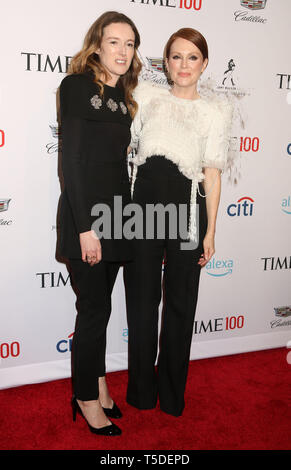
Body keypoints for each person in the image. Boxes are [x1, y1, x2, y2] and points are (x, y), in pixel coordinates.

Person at [124, 28, 233, 417]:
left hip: (189, 209)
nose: (183, 65)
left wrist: (211, 230)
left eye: (192, 57)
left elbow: (213, 173)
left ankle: (171, 395)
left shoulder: (216, 110)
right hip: (144, 209)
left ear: (204, 64)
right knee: (141, 302)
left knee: (181, 305)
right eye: (175, 56)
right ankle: (140, 391)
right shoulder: (146, 97)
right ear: (165, 63)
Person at [58, 11, 141, 436]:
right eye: (114, 42)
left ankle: (100, 384)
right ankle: (86, 398)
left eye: (129, 44)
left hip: (118, 216)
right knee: (93, 311)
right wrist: (86, 228)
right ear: (97, 45)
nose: (123, 51)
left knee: (102, 309)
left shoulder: (123, 96)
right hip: (87, 218)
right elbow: (71, 162)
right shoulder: (75, 87)